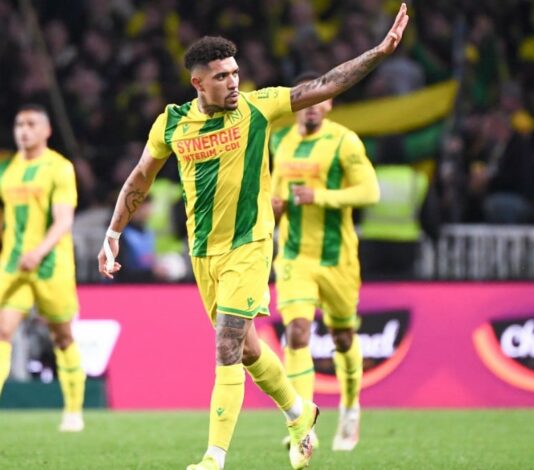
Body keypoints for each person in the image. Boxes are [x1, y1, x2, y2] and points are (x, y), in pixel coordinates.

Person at [97, 4, 409, 470]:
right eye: (221, 76)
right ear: (197, 82)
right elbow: (141, 176)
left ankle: (213, 457)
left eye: (235, 72)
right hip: (204, 252)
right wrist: (113, 231)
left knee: (226, 346)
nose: (233, 82)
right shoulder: (171, 124)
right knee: (246, 349)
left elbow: (325, 84)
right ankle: (300, 413)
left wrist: (379, 53)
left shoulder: (257, 108)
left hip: (250, 245)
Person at [269, 71, 380, 451]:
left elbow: (370, 192)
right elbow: (276, 192)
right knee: (297, 332)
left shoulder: (344, 141)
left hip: (337, 258)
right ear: (297, 105)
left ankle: (350, 406)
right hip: (294, 256)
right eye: (307, 101)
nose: (313, 108)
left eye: (321, 100)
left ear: (330, 103)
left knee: (343, 338)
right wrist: (274, 209)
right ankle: (303, 424)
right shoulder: (280, 141)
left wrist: (320, 197)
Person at [0, 104, 85, 432]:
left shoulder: (59, 168)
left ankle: (74, 411)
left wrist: (37, 252)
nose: (23, 130)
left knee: (61, 336)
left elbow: (63, 220)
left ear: (47, 130)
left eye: (31, 124)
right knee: (3, 330)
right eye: (19, 124)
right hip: (14, 264)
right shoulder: (8, 169)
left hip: (51, 264)